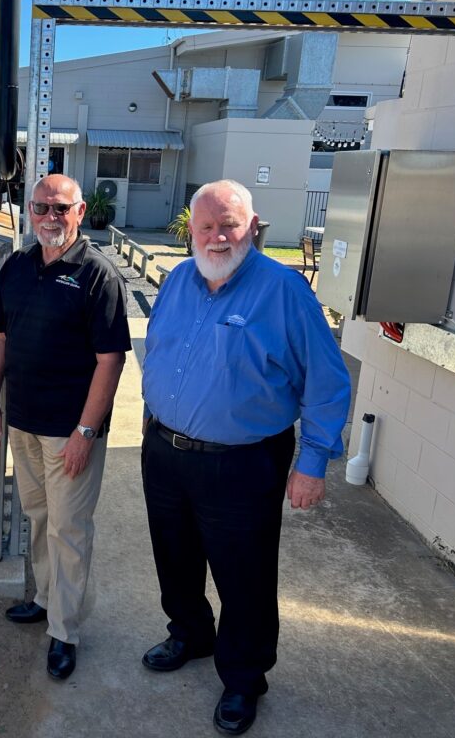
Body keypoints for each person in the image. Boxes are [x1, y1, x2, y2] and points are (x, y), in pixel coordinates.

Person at [140, 180, 350, 735]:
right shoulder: (181, 279)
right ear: (192, 230)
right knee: (175, 556)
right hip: (164, 450)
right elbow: (161, 353)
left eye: (228, 225)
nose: (216, 237)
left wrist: (313, 462)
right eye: (205, 227)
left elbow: (327, 383)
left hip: (242, 463)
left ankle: (242, 678)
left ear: (252, 226)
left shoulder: (284, 292)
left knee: (245, 577)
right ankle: (190, 633)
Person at [0, 173, 131, 681]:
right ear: (29, 211)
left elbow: (110, 361)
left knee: (69, 529)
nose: (51, 217)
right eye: (42, 208)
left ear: (80, 211)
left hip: (70, 432)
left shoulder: (97, 275)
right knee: (39, 516)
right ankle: (46, 600)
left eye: (60, 208)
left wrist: (86, 433)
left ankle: (65, 631)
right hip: (22, 422)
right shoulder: (17, 267)